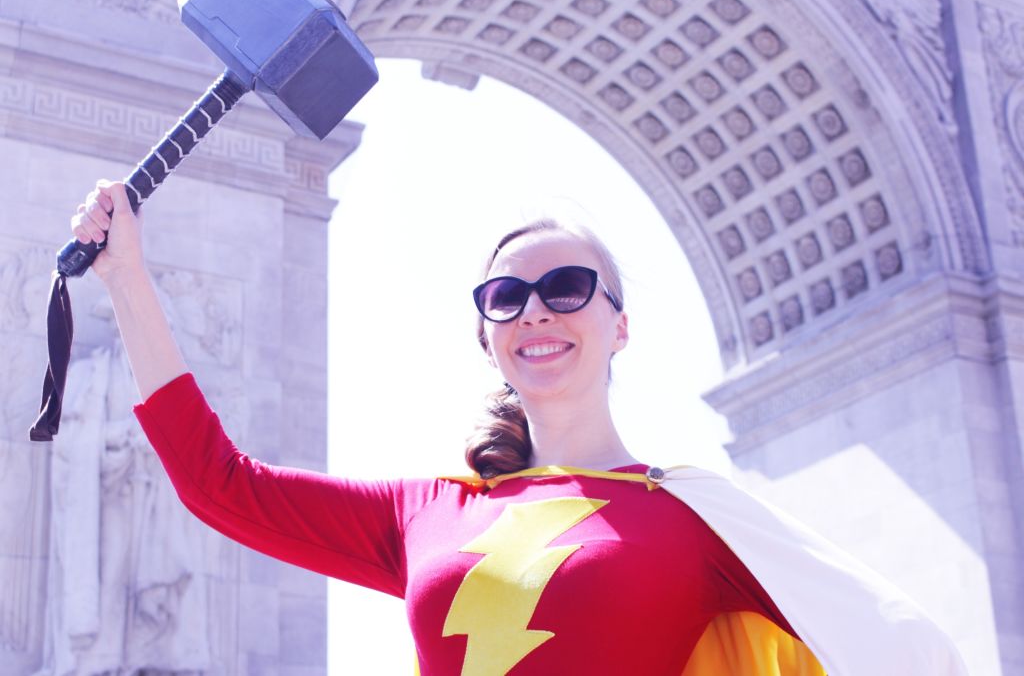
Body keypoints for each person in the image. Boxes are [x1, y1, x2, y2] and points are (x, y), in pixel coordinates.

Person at [72, 180, 968, 675]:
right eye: (507, 296)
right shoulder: (425, 511)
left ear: (620, 326)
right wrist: (127, 280)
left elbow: (904, 649)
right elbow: (218, 483)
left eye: (567, 287)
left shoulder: (702, 522)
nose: (537, 310)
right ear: (487, 335)